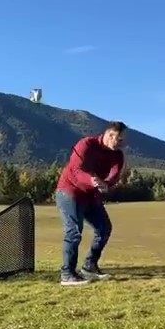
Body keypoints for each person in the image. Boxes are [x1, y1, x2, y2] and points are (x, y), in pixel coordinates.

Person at [55, 122, 126, 284]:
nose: (118, 143)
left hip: (91, 196)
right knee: (73, 232)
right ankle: (67, 274)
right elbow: (76, 170)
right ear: (108, 135)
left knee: (104, 228)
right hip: (69, 192)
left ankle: (89, 266)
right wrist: (92, 180)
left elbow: (114, 175)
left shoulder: (118, 155)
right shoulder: (86, 144)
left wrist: (106, 184)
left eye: (121, 140)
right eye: (116, 138)